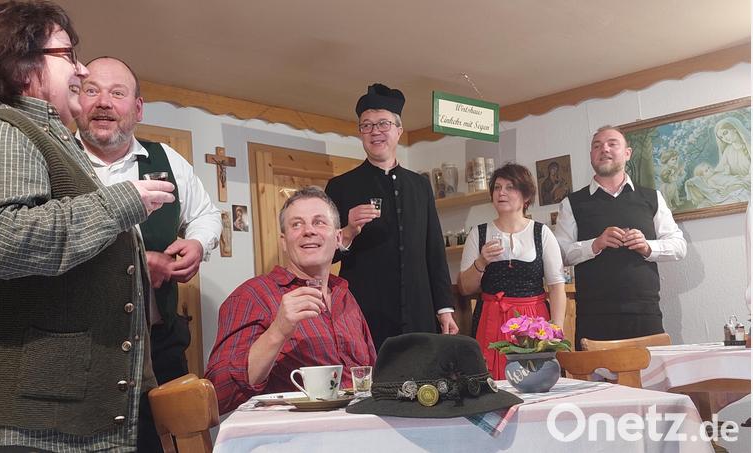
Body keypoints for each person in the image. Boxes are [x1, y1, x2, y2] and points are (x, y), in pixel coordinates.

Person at [0, 2, 175, 452]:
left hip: (61, 417)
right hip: (28, 427)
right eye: (68, 54)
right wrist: (123, 201)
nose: (82, 68)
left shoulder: (47, 137)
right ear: (22, 62)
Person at [76, 56, 221, 452]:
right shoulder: (59, 161)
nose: (103, 103)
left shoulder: (167, 160)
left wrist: (197, 244)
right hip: (84, 350)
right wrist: (141, 264)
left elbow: (207, 215)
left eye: (117, 93)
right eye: (92, 91)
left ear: (137, 108)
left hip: (160, 348)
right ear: (76, 101)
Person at [206, 187, 377, 412]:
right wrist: (278, 331)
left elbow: (372, 374)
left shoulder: (345, 296)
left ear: (337, 238)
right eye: (297, 224)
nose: (308, 231)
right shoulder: (252, 296)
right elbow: (217, 395)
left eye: (319, 222)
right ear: (284, 242)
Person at [325, 83, 458, 349]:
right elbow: (326, 255)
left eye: (383, 124)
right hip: (365, 311)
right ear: (360, 133)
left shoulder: (420, 186)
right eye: (366, 126)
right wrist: (348, 231)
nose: (375, 132)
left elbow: (434, 251)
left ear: (398, 130)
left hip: (419, 310)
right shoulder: (340, 187)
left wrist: (445, 309)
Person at [555, 126, 686, 348]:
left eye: (612, 143)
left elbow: (679, 247)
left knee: (651, 381)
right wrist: (594, 245)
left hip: (645, 313)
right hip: (594, 316)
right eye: (596, 146)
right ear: (590, 156)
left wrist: (647, 247)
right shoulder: (572, 203)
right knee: (597, 382)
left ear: (627, 153)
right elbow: (559, 253)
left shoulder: (652, 197)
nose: (603, 149)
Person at [458, 163, 566, 379]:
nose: (502, 192)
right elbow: (465, 288)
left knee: (536, 382)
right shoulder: (478, 234)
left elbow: (556, 287)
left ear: (526, 196)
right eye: (497, 187)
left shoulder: (541, 233)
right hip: (491, 317)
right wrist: (481, 261)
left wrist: (556, 331)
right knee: (491, 385)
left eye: (510, 187)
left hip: (534, 320)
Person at [684, 117, 751, 208]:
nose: (724, 139)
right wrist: (696, 181)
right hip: (732, 185)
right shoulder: (728, 150)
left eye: (725, 133)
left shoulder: (750, 146)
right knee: (703, 206)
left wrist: (732, 187)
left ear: (735, 129)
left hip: (742, 186)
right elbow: (718, 171)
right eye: (721, 137)